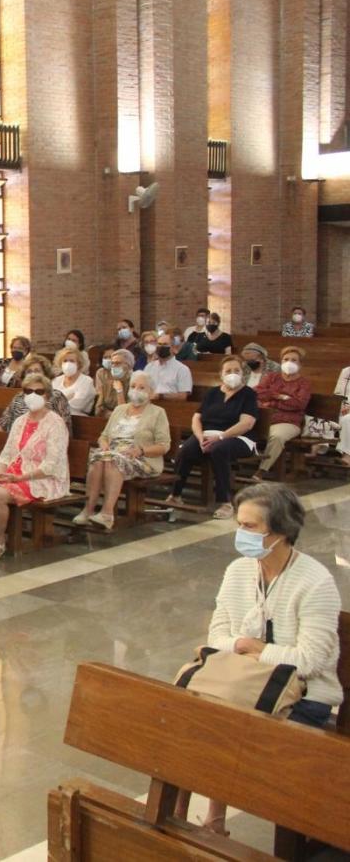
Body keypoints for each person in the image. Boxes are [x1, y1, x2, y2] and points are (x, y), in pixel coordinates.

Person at [185, 483, 343, 836]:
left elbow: (310, 661)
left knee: (220, 727)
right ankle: (190, 820)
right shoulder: (239, 571)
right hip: (243, 685)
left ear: (282, 531)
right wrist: (246, 644)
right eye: (239, 525)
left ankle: (216, 821)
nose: (241, 535)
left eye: (250, 527)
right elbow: (217, 637)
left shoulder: (315, 582)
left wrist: (256, 650)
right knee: (187, 718)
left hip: (304, 695)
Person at [0, 374, 71, 561]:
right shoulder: (20, 420)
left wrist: (19, 478)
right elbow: (6, 453)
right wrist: (1, 470)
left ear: (47, 395)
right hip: (15, 473)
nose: (33, 395)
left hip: (42, 477)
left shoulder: (55, 423)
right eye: (28, 391)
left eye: (38, 391)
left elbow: (51, 464)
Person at [73, 372, 170, 529]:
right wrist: (104, 443)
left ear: (151, 392)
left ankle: (107, 513)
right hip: (113, 453)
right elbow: (103, 436)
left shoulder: (158, 413)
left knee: (112, 460)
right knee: (98, 459)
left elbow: (164, 445)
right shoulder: (119, 409)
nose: (136, 390)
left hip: (142, 458)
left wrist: (141, 450)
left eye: (141, 387)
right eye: (133, 386)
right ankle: (88, 509)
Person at [165, 356, 259, 518]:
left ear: (242, 373)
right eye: (228, 371)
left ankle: (225, 502)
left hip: (238, 437)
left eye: (236, 370)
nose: (232, 374)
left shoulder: (248, 394)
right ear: (221, 374)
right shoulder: (213, 393)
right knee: (185, 449)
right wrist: (200, 437)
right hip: (208, 435)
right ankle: (175, 495)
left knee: (219, 450)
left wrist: (221, 437)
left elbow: (247, 423)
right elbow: (196, 418)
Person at [252, 345, 312, 481]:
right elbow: (257, 392)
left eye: (294, 360)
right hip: (265, 417)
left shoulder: (304, 383)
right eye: (286, 359)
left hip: (289, 421)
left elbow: (298, 404)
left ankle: (261, 471)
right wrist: (280, 396)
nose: (289, 362)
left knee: (277, 436)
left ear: (300, 364)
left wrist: (270, 402)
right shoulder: (272, 377)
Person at [0, 355, 72, 433]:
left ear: (45, 374)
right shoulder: (19, 397)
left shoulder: (56, 396)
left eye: (37, 371)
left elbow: (65, 428)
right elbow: (3, 423)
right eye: (29, 371)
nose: (33, 374)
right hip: (17, 439)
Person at [143, 331, 192, 401]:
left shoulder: (182, 369)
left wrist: (160, 396)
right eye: (159, 344)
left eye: (165, 344)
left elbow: (183, 396)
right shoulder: (149, 367)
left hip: (170, 406)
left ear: (173, 348)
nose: (161, 347)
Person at [53, 350, 97, 416]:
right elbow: (49, 402)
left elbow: (78, 405)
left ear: (79, 364)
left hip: (79, 418)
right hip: (56, 415)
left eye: (72, 361)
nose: (68, 364)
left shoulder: (86, 381)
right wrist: (68, 397)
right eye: (65, 361)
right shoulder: (56, 380)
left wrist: (59, 401)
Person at [93, 349, 133, 417]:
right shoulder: (106, 381)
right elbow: (98, 410)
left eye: (117, 363)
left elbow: (126, 414)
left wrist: (119, 391)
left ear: (128, 366)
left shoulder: (134, 382)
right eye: (112, 363)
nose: (114, 366)